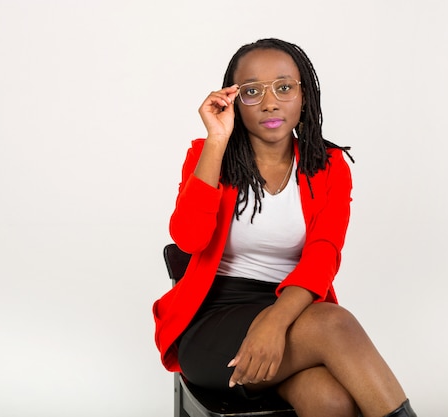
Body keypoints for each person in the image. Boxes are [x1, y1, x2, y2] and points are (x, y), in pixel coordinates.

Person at [152, 38, 417, 417]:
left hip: (292, 313)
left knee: (330, 401)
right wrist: (216, 140)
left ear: (304, 95)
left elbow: (324, 253)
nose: (270, 102)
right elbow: (189, 238)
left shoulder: (330, 165)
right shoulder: (207, 153)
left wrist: (274, 321)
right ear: (233, 101)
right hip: (215, 324)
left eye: (284, 87)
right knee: (334, 323)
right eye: (252, 92)